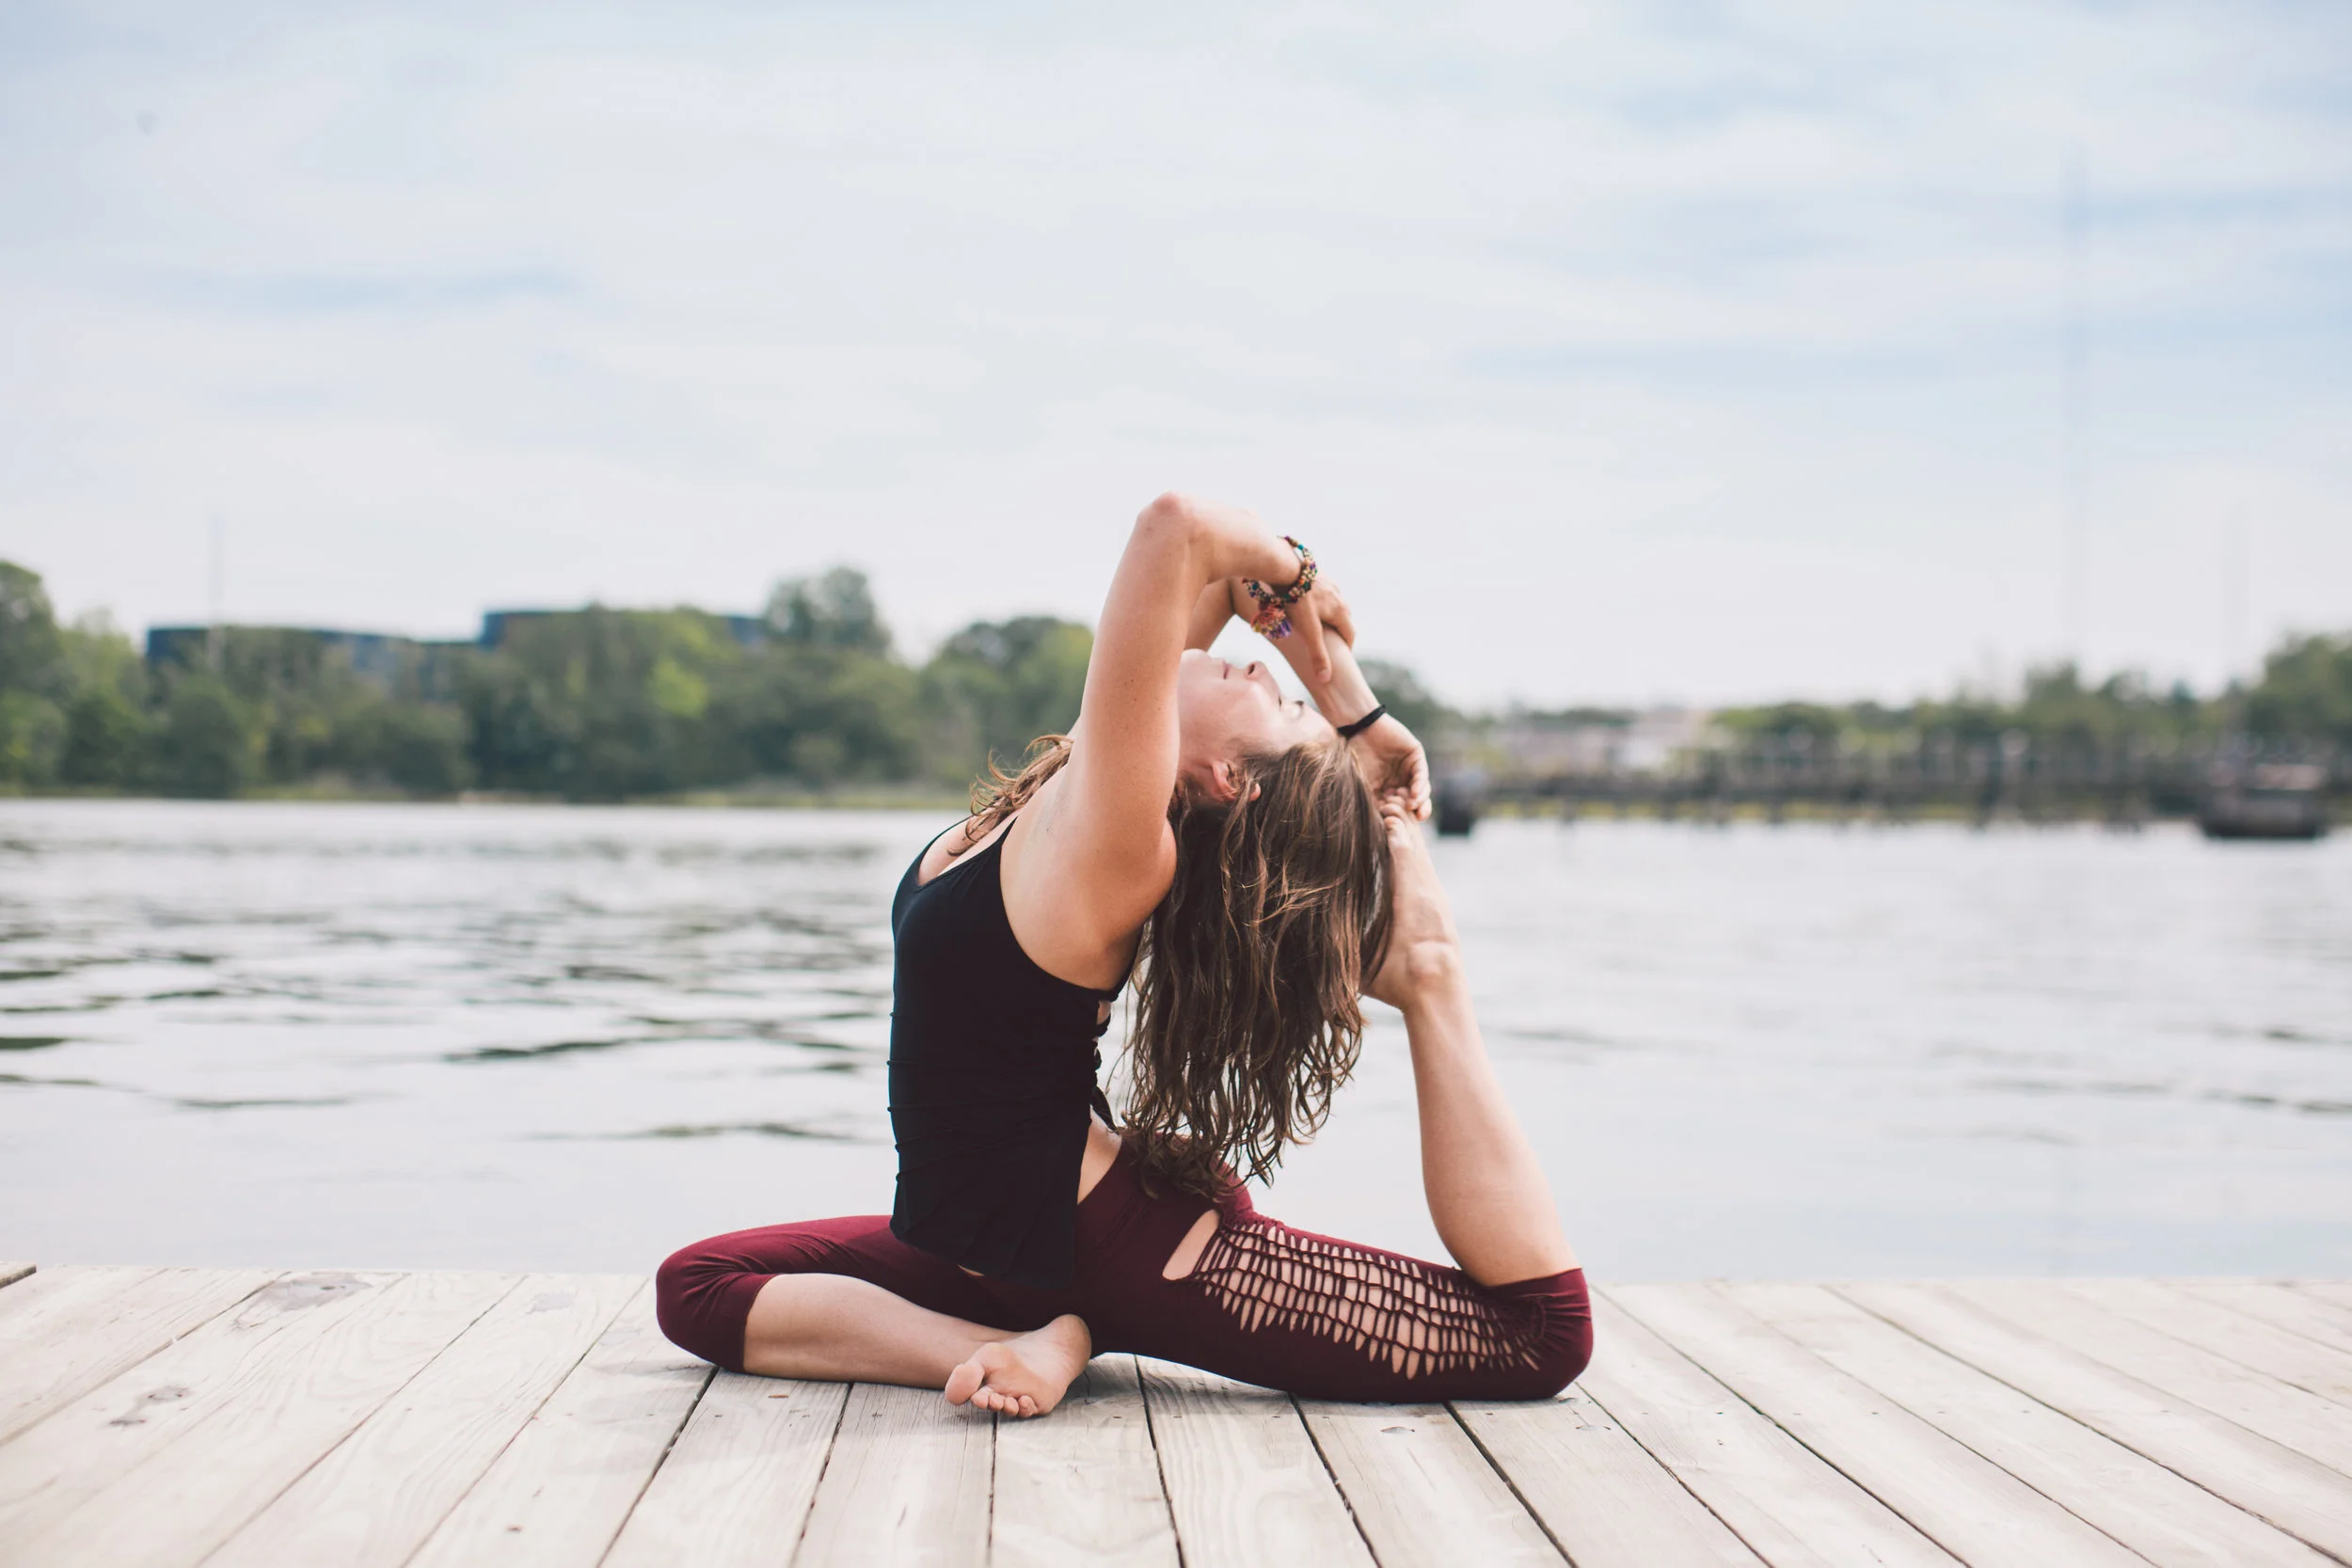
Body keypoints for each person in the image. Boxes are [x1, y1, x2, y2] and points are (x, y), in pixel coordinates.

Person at [657, 494, 1590, 1415]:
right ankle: (1029, 1339)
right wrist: (1352, 703)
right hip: (993, 1244)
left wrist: (1299, 577)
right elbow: (1232, 587)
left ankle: (1430, 977)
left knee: (1536, 1334)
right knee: (696, 1285)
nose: (1260, 670)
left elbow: (1177, 528)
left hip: (1125, 1248)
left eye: (1282, 703)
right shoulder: (1085, 784)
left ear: (1229, 777)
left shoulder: (1117, 845)